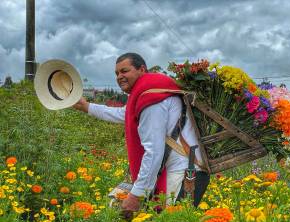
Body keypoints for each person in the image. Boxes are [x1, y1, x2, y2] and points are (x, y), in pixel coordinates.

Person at [73, 52, 209, 213]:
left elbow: (154, 151)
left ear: (142, 69)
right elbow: (124, 114)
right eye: (117, 73)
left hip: (184, 173)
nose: (119, 76)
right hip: (183, 168)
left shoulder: (152, 99)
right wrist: (87, 106)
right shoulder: (150, 93)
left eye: (124, 71)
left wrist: (136, 195)